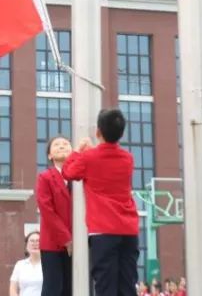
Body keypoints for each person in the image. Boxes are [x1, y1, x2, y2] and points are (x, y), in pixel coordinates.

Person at [62, 108, 140, 296]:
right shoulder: (128, 158)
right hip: (129, 228)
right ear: (121, 133)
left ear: (98, 132)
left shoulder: (88, 158)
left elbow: (68, 172)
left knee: (105, 285)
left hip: (103, 230)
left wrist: (78, 152)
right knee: (127, 284)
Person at [35, 136, 73, 296]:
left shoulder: (79, 178)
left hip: (77, 244)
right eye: (56, 145)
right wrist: (66, 239)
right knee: (53, 288)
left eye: (65, 144)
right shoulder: (45, 177)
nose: (61, 146)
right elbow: (47, 211)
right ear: (50, 155)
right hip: (52, 243)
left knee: (72, 288)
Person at [8, 232, 43, 296]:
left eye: (38, 241)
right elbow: (13, 289)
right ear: (26, 246)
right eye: (32, 241)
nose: (35, 243)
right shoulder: (20, 265)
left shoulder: (48, 265)